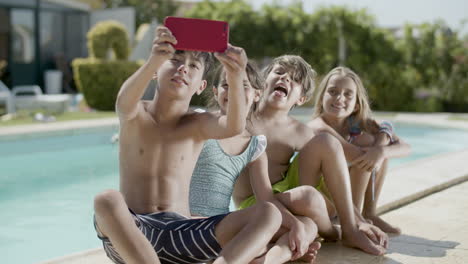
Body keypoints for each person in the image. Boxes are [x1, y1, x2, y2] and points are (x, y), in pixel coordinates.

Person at [93, 26, 283, 264]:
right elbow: (123, 100)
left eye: (194, 66)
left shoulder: (197, 124)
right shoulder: (135, 114)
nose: (183, 68)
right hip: (134, 233)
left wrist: (236, 74)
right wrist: (155, 58)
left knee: (268, 213)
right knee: (106, 200)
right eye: (175, 60)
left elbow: (234, 126)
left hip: (182, 234)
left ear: (201, 87)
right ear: (155, 71)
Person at [240, 55, 388, 255]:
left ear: (301, 99)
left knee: (326, 142)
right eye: (279, 72)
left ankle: (350, 228)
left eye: (294, 79)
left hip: (288, 196)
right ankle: (330, 232)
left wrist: (359, 221)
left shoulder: (298, 130)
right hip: (255, 202)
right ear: (263, 82)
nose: (285, 79)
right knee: (309, 199)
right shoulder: (242, 120)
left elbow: (331, 170)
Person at [189, 62, 322, 263]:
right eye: (227, 85)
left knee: (307, 226)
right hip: (188, 223)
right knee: (276, 222)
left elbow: (266, 198)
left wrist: (295, 225)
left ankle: (267, 259)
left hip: (221, 227)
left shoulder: (254, 145)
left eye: (242, 86)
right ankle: (267, 252)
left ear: (257, 95)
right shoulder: (199, 124)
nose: (234, 91)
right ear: (215, 92)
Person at [307, 66, 411, 234]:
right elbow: (361, 157)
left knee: (374, 145)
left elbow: (406, 148)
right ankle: (353, 217)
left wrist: (382, 149)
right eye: (333, 91)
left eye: (348, 94)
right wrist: (383, 139)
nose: (340, 98)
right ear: (322, 98)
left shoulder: (357, 125)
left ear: (356, 105)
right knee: (370, 148)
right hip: (321, 202)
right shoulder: (318, 128)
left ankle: (369, 212)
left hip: (339, 201)